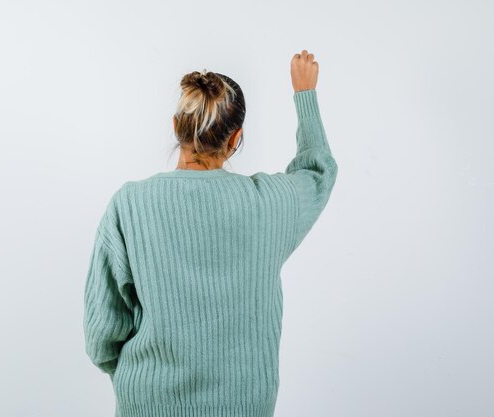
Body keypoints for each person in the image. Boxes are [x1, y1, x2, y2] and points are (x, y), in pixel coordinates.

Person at [83, 49, 338, 417]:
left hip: (148, 405)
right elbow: (318, 173)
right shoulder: (268, 204)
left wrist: (138, 382)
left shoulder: (130, 205)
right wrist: (305, 95)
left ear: (176, 126)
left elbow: (101, 333)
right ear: (235, 139)